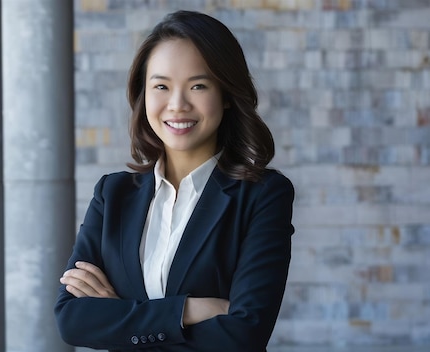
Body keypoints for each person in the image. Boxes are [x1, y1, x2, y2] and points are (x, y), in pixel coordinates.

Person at [55, 10, 295, 352]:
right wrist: (187, 309)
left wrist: (118, 316)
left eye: (198, 85)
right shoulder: (113, 193)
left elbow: (244, 335)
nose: (177, 104)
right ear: (143, 94)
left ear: (226, 94)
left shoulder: (263, 195)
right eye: (161, 86)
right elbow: (71, 319)